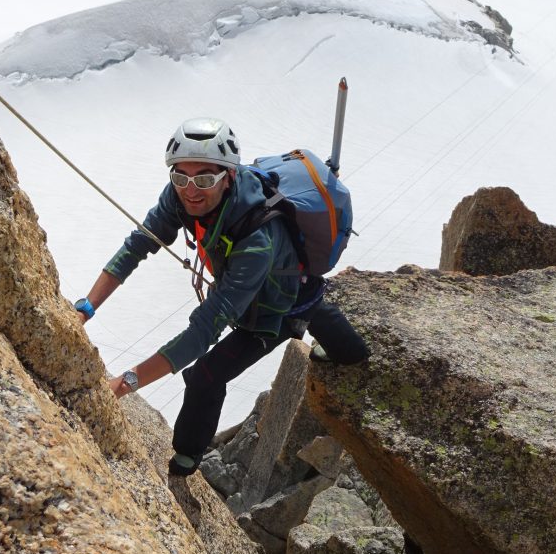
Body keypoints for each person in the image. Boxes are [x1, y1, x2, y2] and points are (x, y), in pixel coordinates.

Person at [75, 117, 369, 476]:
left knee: (206, 376)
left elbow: (203, 332)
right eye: (180, 177)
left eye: (204, 179)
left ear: (229, 176)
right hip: (266, 281)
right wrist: (85, 308)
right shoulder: (180, 195)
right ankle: (350, 351)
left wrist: (124, 384)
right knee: (313, 304)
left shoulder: (257, 239)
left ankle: (185, 458)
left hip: (273, 309)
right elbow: (139, 245)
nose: (191, 190)